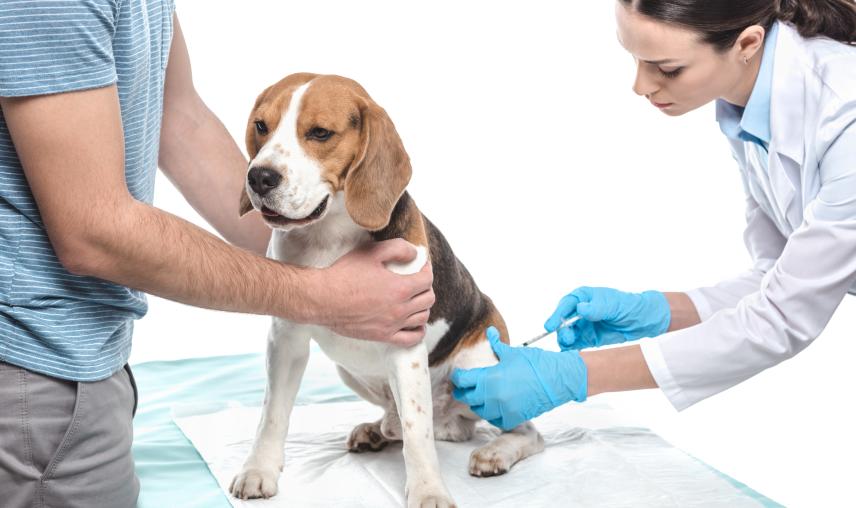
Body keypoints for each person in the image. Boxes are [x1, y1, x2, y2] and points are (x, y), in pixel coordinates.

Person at [0, 2, 434, 506]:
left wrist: (314, 241)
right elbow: (92, 230)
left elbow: (178, 114)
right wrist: (319, 294)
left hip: (94, 359)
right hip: (35, 373)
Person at [452, 0, 856, 431]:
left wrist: (576, 376)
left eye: (667, 68)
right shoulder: (747, 105)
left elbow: (783, 316)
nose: (641, 85)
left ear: (747, 43)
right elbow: (780, 275)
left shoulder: (844, 112)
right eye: (635, 59)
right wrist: (658, 312)